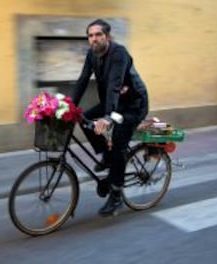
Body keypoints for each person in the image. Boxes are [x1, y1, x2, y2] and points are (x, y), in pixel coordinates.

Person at [72, 19, 149, 216]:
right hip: (113, 103)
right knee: (85, 117)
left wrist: (107, 117)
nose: (94, 39)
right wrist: (68, 106)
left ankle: (116, 195)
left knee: (118, 143)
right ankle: (106, 157)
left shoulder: (119, 53)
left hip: (132, 105)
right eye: (90, 36)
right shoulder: (92, 54)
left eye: (98, 35)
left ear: (107, 36)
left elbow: (115, 85)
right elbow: (82, 81)